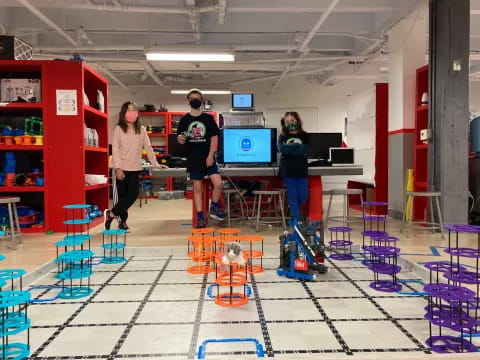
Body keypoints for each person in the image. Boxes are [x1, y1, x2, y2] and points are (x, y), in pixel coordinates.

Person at [104, 101, 167, 231]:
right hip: (120, 168)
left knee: (132, 195)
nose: (132, 112)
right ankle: (123, 222)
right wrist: (118, 168)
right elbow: (115, 149)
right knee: (121, 197)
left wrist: (155, 164)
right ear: (123, 113)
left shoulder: (141, 129)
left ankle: (111, 214)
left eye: (134, 110)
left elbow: (148, 148)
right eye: (129, 110)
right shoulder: (119, 129)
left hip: (135, 168)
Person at [177, 89, 225, 228]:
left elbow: (214, 137)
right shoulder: (185, 120)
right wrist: (180, 138)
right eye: (192, 98)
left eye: (197, 98)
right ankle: (200, 217)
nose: (195, 100)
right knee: (197, 188)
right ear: (188, 101)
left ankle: (214, 208)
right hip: (193, 159)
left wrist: (211, 155)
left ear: (201, 100)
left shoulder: (208, 118)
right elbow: (180, 138)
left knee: (218, 183)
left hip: (208, 158)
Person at [278, 111, 309, 224]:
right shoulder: (282, 136)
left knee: (303, 196)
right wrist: (297, 147)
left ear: (297, 121)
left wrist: (289, 149)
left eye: (292, 120)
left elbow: (305, 150)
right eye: (287, 121)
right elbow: (281, 149)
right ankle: (297, 220)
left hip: (301, 170)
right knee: (293, 196)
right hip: (287, 170)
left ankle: (292, 210)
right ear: (284, 123)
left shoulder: (305, 135)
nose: (290, 123)